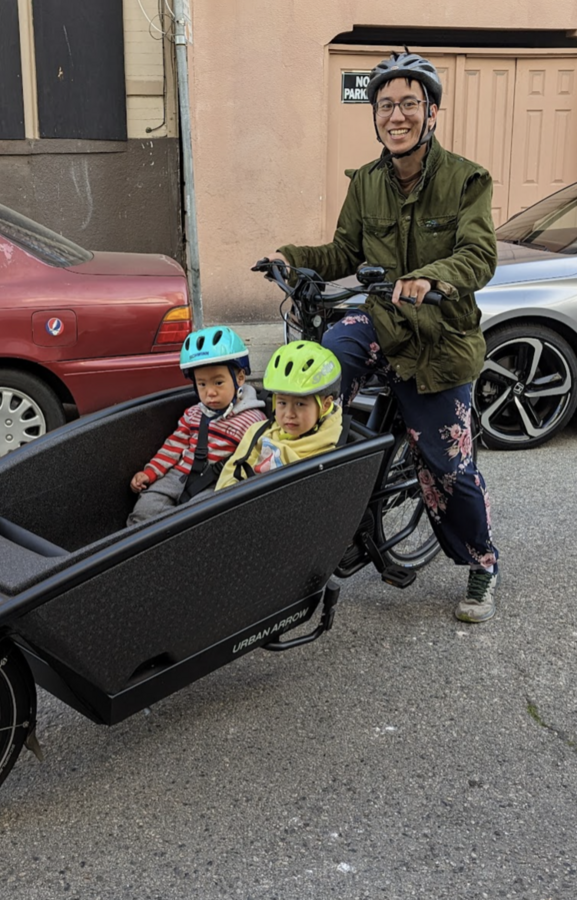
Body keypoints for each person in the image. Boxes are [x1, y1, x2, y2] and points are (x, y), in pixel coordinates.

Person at [273, 50, 499, 623]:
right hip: (380, 320)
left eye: (408, 104)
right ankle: (321, 490)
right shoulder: (367, 182)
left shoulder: (466, 180)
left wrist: (433, 278)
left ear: (432, 112)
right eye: (385, 106)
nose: (396, 116)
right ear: (375, 115)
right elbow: (343, 252)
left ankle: (481, 562)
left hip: (440, 339)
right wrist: (291, 259)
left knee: (448, 468)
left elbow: (479, 254)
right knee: (318, 370)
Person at [127, 325, 267, 525]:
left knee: (197, 520)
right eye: (202, 384)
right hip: (180, 474)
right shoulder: (194, 414)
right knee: (146, 508)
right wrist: (150, 472)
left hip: (216, 483)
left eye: (218, 383)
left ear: (240, 378)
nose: (210, 392)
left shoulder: (253, 419)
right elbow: (173, 447)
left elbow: (256, 459)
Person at [215, 341, 342, 490]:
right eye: (282, 403)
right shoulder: (258, 432)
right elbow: (231, 474)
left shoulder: (330, 453)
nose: (289, 414)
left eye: (300, 404)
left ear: (325, 405)